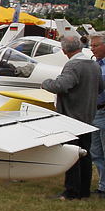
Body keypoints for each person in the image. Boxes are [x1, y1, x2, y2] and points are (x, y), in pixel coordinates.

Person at [41, 35, 103, 200]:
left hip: (72, 117)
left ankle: (71, 192)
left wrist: (45, 82)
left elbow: (60, 85)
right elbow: (101, 87)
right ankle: (83, 191)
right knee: (85, 154)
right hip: (88, 117)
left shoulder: (74, 65)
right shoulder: (94, 65)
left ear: (64, 50)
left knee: (70, 154)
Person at [89, 34, 105, 198]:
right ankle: (103, 186)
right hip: (95, 111)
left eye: (95, 46)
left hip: (103, 112)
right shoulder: (96, 65)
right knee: (96, 152)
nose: (92, 49)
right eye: (91, 46)